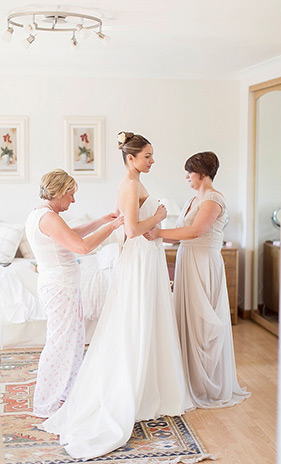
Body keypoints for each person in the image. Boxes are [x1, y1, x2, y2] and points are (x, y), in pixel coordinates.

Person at [41, 133, 192, 460]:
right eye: (148, 156)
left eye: (152, 155)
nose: (152, 161)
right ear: (131, 158)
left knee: (148, 320)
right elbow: (132, 229)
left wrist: (155, 221)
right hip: (138, 259)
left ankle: (152, 386)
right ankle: (129, 391)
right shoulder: (129, 185)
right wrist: (161, 216)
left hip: (146, 258)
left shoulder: (134, 184)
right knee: (134, 322)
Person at [147, 152, 250, 408]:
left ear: (202, 173)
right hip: (187, 260)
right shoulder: (192, 200)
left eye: (189, 173)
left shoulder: (214, 200)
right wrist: (153, 232)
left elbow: (195, 231)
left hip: (203, 263)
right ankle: (189, 380)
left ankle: (208, 384)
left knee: (203, 324)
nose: (186, 177)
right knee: (187, 319)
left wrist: (159, 231)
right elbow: (180, 234)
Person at [26, 169, 124, 418]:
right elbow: (82, 246)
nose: (73, 200)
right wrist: (113, 226)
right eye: (71, 194)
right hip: (60, 288)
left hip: (61, 287)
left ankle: (63, 395)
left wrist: (102, 221)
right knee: (60, 344)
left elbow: (73, 234)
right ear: (58, 192)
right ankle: (46, 402)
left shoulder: (44, 214)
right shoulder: (48, 218)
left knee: (71, 342)